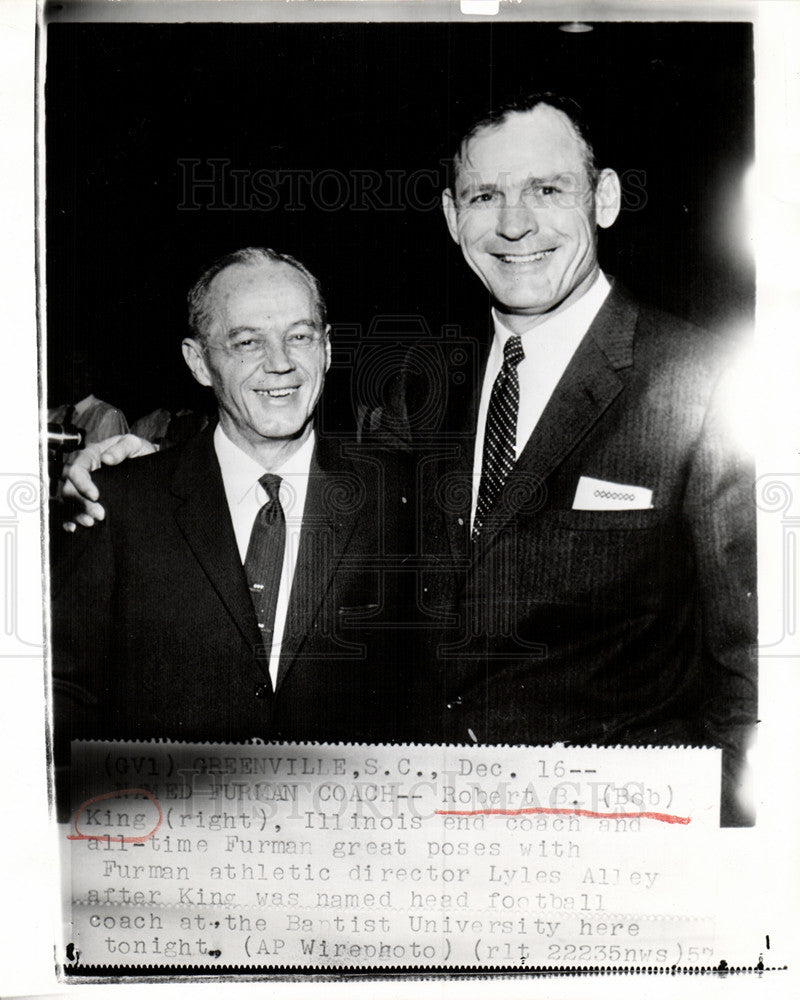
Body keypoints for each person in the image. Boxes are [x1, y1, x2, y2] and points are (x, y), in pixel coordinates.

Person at [61, 95, 757, 822]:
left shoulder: (709, 386)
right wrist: (151, 468)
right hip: (425, 840)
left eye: (547, 190)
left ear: (605, 199)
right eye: (485, 195)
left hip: (615, 848)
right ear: (454, 219)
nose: (515, 224)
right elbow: (299, 475)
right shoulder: (421, 386)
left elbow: (757, 677)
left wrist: (719, 858)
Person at [52, 248, 413, 792]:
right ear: (198, 362)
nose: (280, 363)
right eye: (247, 342)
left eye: (300, 335)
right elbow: (62, 690)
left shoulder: (402, 500)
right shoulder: (121, 504)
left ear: (329, 346)